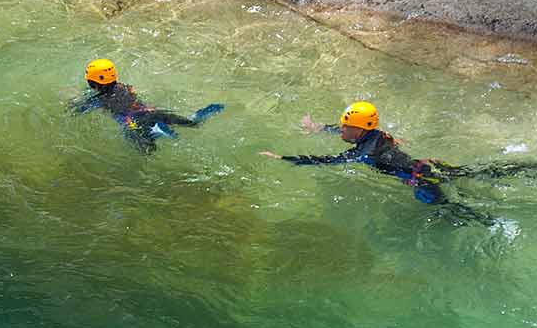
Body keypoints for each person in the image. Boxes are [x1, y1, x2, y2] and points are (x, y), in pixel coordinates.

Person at [260, 101, 502, 223]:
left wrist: (285, 158)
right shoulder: (375, 134)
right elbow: (342, 132)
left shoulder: (364, 151)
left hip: (419, 179)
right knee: (472, 173)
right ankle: (525, 168)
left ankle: (491, 223)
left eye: (345, 126)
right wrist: (318, 128)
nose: (341, 129)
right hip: (425, 165)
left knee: (446, 208)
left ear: (357, 129)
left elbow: (329, 160)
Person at [73, 58, 223, 153]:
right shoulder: (124, 87)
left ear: (92, 83)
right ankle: (195, 118)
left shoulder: (98, 99)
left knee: (147, 151)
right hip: (151, 111)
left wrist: (74, 106)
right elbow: (132, 93)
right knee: (192, 124)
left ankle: (157, 132)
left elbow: (76, 110)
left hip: (133, 122)